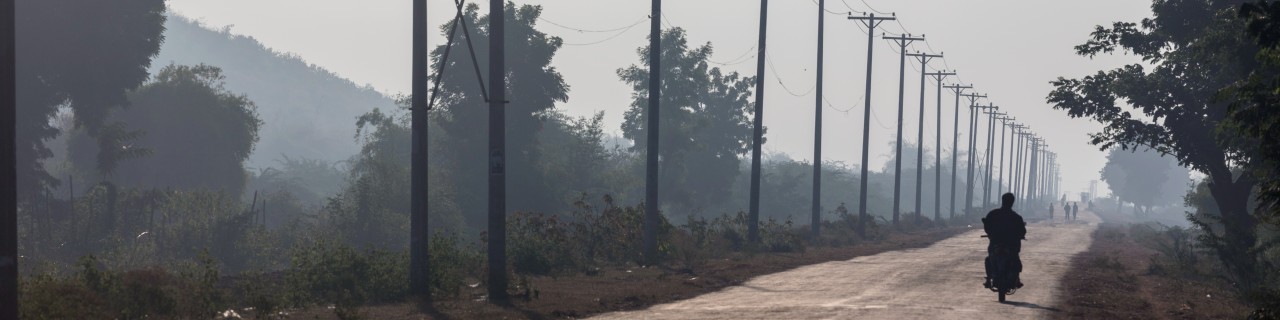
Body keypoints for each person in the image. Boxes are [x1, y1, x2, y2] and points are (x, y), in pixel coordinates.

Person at [983, 193, 1026, 289]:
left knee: (989, 259)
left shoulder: (993, 214)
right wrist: (1020, 236)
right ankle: (1017, 279)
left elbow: (987, 227)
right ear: (1012, 202)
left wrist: (991, 234)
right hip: (1011, 245)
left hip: (995, 244)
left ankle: (988, 278)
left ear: (1002, 201)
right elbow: (1022, 231)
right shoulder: (1016, 217)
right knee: (1015, 260)